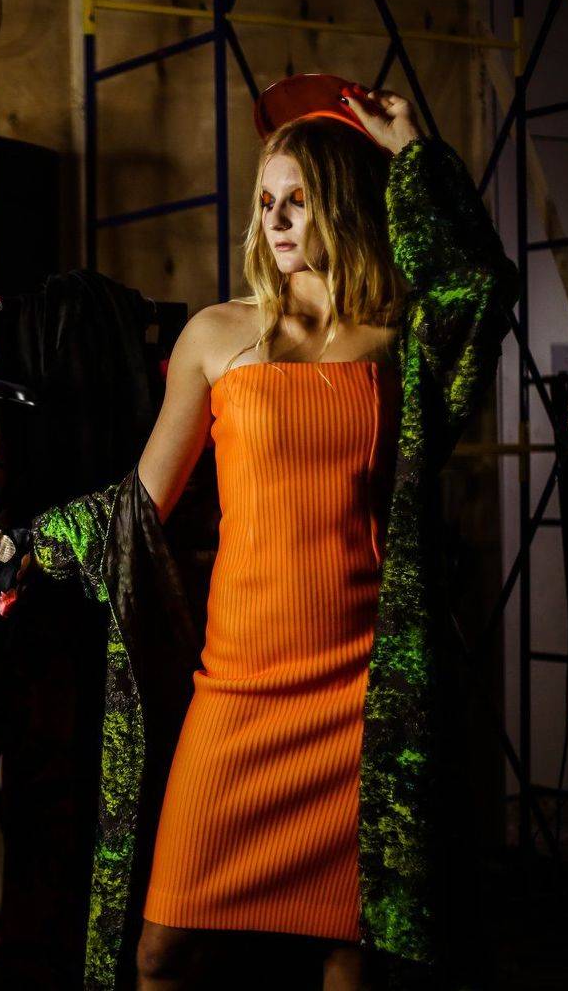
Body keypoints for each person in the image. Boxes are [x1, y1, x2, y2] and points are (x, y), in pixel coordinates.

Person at [127, 83, 513, 991]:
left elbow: (481, 285)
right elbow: (138, 507)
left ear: (342, 203)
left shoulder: (402, 343)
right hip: (237, 686)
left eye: (298, 199)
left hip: (364, 690)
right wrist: (14, 549)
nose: (276, 220)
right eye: (266, 201)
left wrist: (412, 147)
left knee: (352, 949)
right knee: (161, 953)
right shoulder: (216, 335)